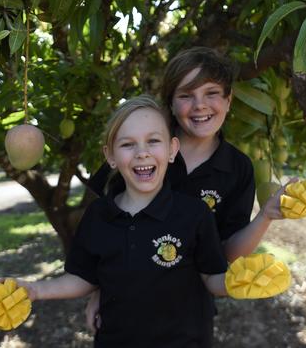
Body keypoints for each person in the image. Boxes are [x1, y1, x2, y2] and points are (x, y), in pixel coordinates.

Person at [86, 47, 294, 333]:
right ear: (170, 103)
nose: (200, 105)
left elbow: (227, 254)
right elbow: (103, 228)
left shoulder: (237, 168)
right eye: (186, 95)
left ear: (229, 100)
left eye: (211, 93)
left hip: (188, 315)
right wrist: (97, 288)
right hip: (123, 308)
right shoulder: (145, 151)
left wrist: (266, 216)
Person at [1, 96, 230, 347]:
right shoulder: (98, 215)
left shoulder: (194, 214)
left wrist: (239, 281)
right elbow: (83, 277)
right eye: (127, 144)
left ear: (172, 149)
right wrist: (36, 290)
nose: (142, 153)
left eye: (153, 141)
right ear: (110, 156)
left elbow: (212, 278)